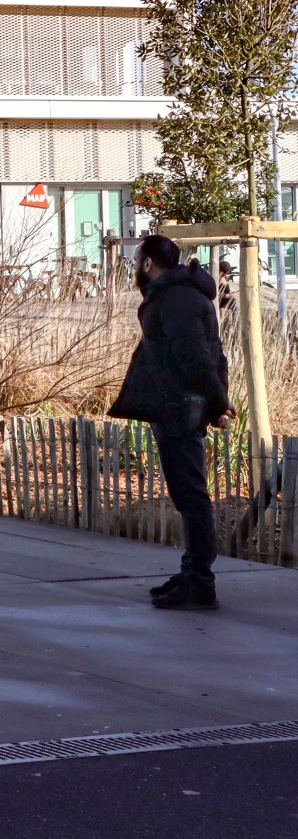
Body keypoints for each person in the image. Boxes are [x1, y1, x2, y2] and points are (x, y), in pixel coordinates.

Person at [111, 235, 233, 610]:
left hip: (179, 407)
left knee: (191, 496)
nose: (135, 268)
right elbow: (213, 354)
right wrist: (217, 400)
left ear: (148, 263)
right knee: (188, 494)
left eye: (137, 261)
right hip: (178, 405)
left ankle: (200, 582)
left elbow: (195, 357)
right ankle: (192, 572)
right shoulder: (183, 294)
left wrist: (218, 403)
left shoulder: (176, 298)